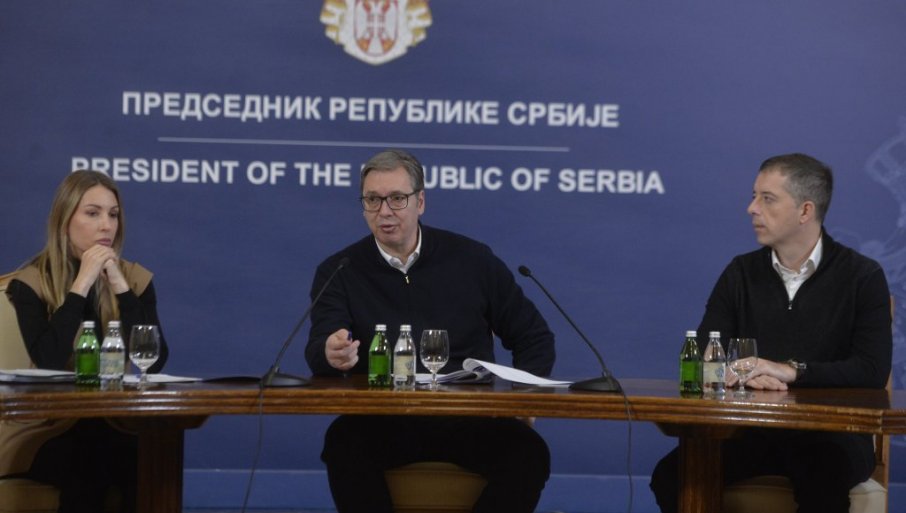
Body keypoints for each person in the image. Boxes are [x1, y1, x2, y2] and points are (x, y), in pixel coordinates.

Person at [304, 149, 556, 513]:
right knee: (343, 442)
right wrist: (331, 352)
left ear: (420, 202)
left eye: (397, 198)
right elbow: (320, 348)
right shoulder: (340, 270)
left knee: (528, 453)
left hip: (468, 419)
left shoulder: (473, 260)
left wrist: (524, 402)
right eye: (372, 200)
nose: (384, 211)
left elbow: (534, 337)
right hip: (383, 421)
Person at [649, 153, 892, 513]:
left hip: (831, 434)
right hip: (750, 430)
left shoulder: (862, 276)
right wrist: (740, 372)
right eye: (754, 196)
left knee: (822, 478)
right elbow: (702, 354)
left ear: (805, 211)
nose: (751, 208)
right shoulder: (740, 273)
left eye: (767, 199)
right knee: (672, 476)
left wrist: (790, 371)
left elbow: (871, 369)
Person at [2, 170, 169, 513]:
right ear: (64, 221)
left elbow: (154, 359)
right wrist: (82, 284)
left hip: (114, 422)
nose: (106, 226)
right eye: (93, 213)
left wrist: (120, 287)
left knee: (142, 457)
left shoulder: (134, 279)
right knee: (92, 458)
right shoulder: (31, 283)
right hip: (46, 430)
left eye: (113, 215)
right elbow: (48, 359)